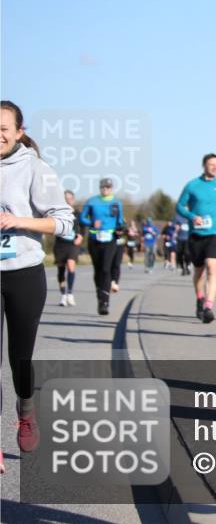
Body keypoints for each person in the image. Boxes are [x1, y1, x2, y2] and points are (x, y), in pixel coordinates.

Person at [0, 101, 75, 473]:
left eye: (3, 128)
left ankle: (26, 408)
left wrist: (19, 221)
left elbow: (64, 223)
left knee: (20, 360)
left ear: (18, 131)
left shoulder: (35, 168)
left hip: (23, 272)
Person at [176, 154, 216, 323]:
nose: (215, 167)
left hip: (215, 233)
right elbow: (179, 206)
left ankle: (208, 306)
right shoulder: (193, 185)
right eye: (211, 164)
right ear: (204, 166)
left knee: (212, 267)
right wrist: (192, 216)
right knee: (199, 272)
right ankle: (200, 297)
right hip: (197, 235)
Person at [80, 177, 126, 316]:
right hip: (94, 239)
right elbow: (82, 218)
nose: (105, 189)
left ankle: (105, 302)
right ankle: (100, 296)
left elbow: (120, 221)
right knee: (98, 270)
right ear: (100, 188)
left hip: (110, 239)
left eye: (108, 187)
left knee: (106, 269)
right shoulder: (92, 201)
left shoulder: (116, 202)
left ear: (111, 189)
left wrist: (120, 229)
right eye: (103, 187)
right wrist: (92, 223)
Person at [55, 189, 84, 306]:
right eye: (65, 199)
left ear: (73, 200)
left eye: (70, 199)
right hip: (60, 244)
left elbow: (83, 227)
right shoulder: (57, 213)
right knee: (61, 269)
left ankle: (70, 293)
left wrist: (81, 236)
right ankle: (63, 295)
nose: (68, 201)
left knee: (71, 265)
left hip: (73, 244)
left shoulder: (77, 213)